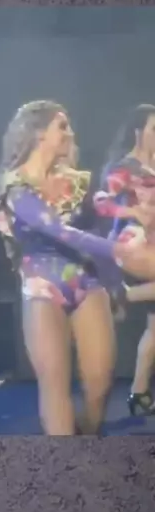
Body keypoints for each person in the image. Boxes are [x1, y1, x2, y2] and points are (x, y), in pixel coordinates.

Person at [0, 100, 125, 436]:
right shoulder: (14, 187)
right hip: (41, 289)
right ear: (38, 133)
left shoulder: (76, 182)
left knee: (99, 384)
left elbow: (98, 227)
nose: (70, 133)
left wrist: (116, 282)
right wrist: (121, 252)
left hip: (87, 282)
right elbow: (58, 231)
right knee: (54, 386)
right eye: (62, 126)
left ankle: (88, 435)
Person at [95, 104, 155, 415]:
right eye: (154, 129)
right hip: (130, 243)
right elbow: (100, 202)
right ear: (138, 132)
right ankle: (122, 295)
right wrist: (132, 210)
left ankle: (139, 392)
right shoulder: (126, 168)